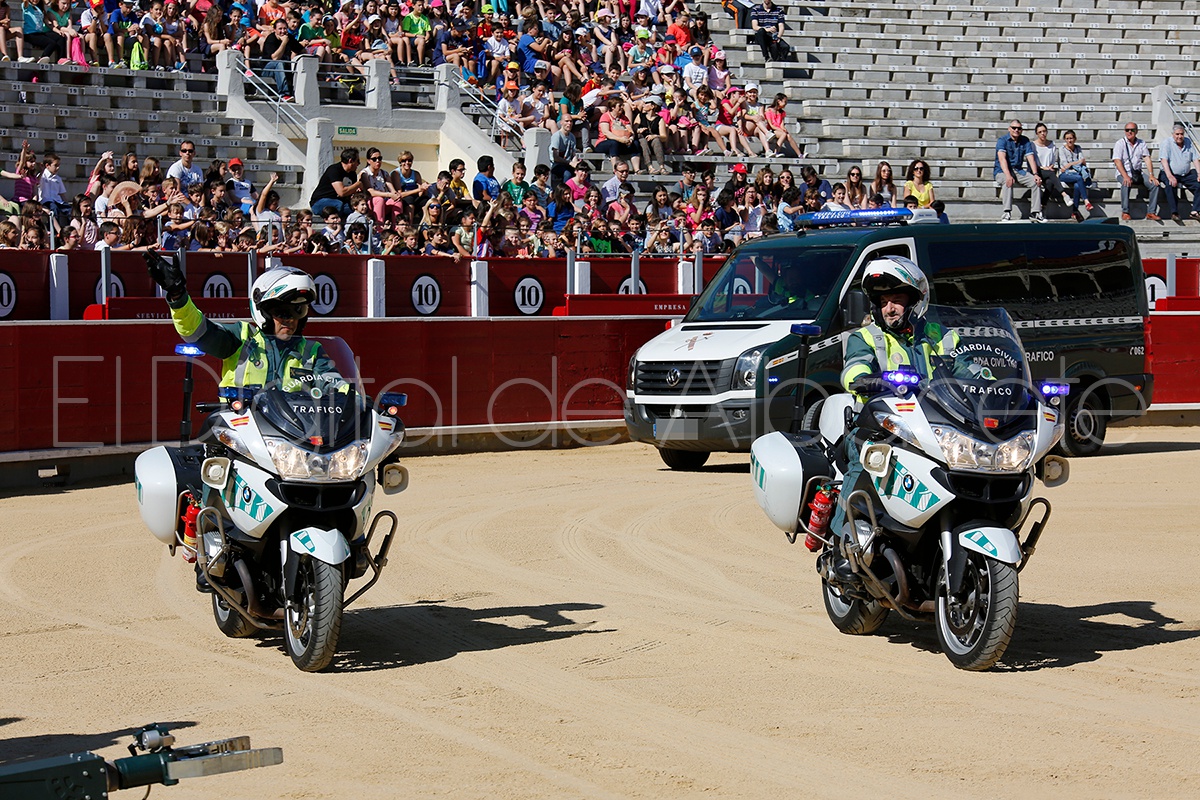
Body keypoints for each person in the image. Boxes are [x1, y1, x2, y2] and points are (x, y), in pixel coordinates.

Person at [828, 257, 945, 574]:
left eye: (897, 299)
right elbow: (853, 370)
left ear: (915, 301)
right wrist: (869, 379)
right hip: (879, 427)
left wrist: (988, 379)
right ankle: (842, 546)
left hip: (932, 426)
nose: (890, 307)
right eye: (883, 301)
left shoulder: (936, 334)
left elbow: (967, 365)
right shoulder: (865, 337)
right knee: (865, 459)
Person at [146, 252, 345, 393]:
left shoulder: (312, 351)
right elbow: (196, 331)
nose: (290, 319)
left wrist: (358, 402)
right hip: (240, 435)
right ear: (263, 312)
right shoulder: (241, 338)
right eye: (282, 312)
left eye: (298, 311)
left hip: (291, 437)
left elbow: (334, 383)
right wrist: (178, 295)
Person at [994, 119, 1043, 222]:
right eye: (1014, 128)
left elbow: (1030, 157)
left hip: (1018, 170)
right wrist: (1008, 175)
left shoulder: (1025, 140)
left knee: (1036, 182)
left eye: (1019, 128)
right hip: (1002, 170)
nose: (1016, 130)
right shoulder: (1002, 140)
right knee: (1007, 181)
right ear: (1009, 129)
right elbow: (1002, 159)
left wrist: (1035, 174)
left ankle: (1035, 212)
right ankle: (1007, 212)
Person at [1112, 121, 1160, 222]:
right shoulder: (1120, 143)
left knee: (1154, 185)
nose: (1129, 132)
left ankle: (1151, 212)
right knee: (1126, 183)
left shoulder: (1141, 143)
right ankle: (1125, 211)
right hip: (1123, 172)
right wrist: (1125, 176)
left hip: (1137, 172)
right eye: (1127, 130)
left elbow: (1147, 158)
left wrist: (1151, 175)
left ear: (1136, 131)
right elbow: (1117, 161)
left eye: (1132, 130)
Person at [1157, 123, 1200, 223]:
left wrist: (1199, 173)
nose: (1179, 136)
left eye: (1181, 134)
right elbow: (1164, 160)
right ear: (1173, 134)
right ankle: (1174, 212)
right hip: (1168, 171)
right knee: (1170, 184)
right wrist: (1170, 176)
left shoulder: (1188, 142)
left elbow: (1195, 159)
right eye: (1177, 134)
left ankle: (1195, 211)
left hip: (1186, 174)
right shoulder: (1167, 143)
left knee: (1199, 185)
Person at [310, 148, 365, 219]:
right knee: (338, 205)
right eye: (357, 161)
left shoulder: (352, 174)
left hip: (340, 202)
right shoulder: (334, 170)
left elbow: (350, 192)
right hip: (319, 202)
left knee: (353, 208)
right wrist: (358, 184)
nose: (359, 163)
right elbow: (341, 192)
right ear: (350, 161)